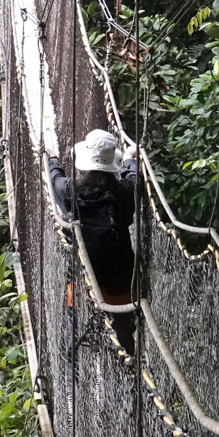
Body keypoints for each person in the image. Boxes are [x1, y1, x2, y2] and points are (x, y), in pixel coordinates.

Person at [47, 129, 139, 352]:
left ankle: (70, 354)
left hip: (84, 276)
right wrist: (129, 159)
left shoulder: (70, 190)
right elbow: (134, 177)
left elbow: (54, 179)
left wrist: (52, 159)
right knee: (122, 327)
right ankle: (126, 356)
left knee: (73, 314)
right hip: (121, 277)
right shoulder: (127, 191)